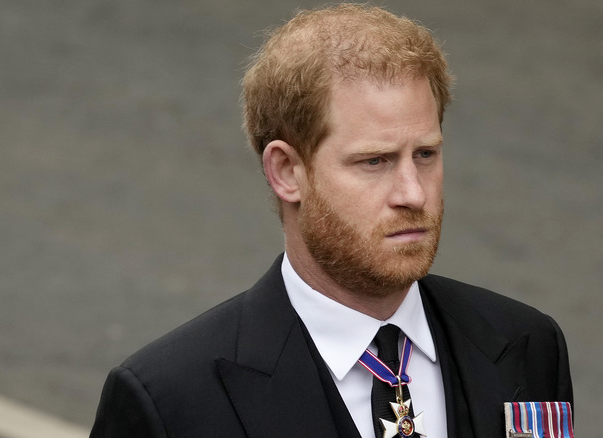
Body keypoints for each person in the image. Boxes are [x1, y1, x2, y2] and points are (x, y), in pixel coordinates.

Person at [90, 4, 573, 438]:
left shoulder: (526, 344)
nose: (413, 192)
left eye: (425, 154)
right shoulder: (171, 403)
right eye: (375, 161)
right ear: (287, 172)